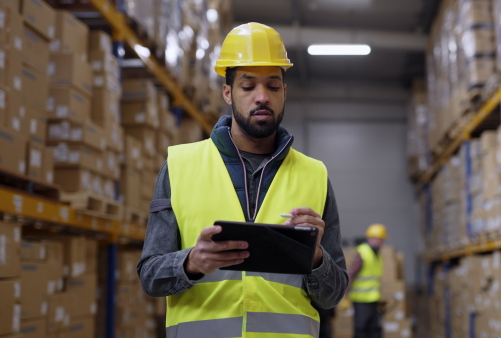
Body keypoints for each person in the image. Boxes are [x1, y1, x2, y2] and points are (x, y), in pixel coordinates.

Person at [137, 22, 348, 338]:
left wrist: (316, 258)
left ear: (284, 92)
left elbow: (332, 295)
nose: (262, 97)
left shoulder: (314, 175)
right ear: (227, 92)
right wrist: (191, 262)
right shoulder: (181, 166)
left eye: (273, 86)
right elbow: (150, 277)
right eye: (248, 87)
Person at [346, 223, 387, 338]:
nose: (379, 242)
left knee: (374, 330)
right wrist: (345, 295)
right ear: (370, 238)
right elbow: (351, 274)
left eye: (381, 240)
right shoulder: (363, 253)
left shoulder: (377, 254)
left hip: (373, 300)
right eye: (377, 239)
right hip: (361, 301)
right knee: (361, 330)